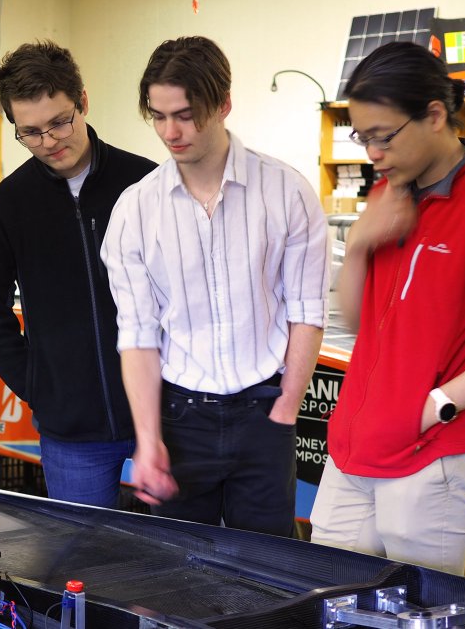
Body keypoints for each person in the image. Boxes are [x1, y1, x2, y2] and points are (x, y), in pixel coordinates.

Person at [310, 42, 465, 575]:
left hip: (432, 451)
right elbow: (356, 323)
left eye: (383, 135)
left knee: (423, 608)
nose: (372, 152)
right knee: (327, 595)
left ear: (435, 115)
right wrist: (357, 246)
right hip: (356, 443)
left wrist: (440, 403)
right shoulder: (388, 193)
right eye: (363, 137)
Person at [101, 36, 329, 536]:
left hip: (264, 409)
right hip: (180, 416)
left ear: (224, 104)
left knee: (270, 577)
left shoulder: (287, 191)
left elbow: (307, 310)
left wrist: (286, 409)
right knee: (179, 579)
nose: (170, 132)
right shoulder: (136, 209)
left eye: (185, 114)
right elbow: (138, 335)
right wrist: (148, 439)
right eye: (158, 117)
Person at [0, 41, 156, 507]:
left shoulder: (147, 184)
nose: (49, 141)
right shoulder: (8, 206)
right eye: (30, 132)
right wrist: (39, 384)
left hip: (162, 415)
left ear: (83, 102)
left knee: (183, 560)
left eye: (59, 122)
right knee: (83, 569)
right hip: (71, 431)